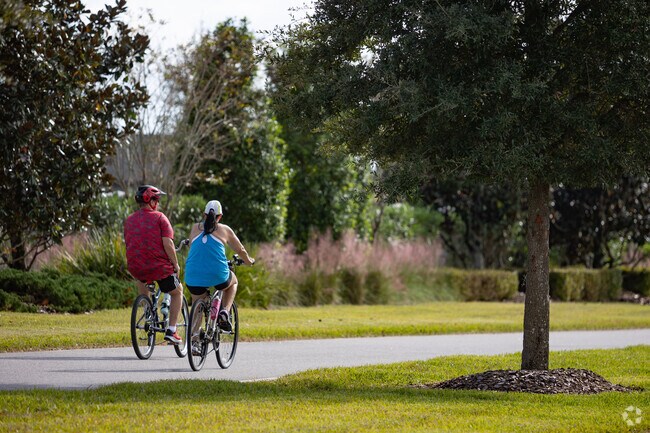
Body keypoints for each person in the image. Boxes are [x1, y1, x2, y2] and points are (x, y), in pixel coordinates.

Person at [184, 200, 254, 345]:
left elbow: (194, 247)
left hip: (192, 275)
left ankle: (195, 340)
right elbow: (240, 250)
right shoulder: (225, 229)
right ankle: (225, 312)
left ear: (204, 215)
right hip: (218, 274)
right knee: (233, 281)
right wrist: (248, 261)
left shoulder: (194, 228)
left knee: (198, 302)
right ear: (220, 216)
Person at [124, 185, 184, 345]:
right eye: (156, 199)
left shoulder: (129, 220)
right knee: (177, 292)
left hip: (136, 267)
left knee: (144, 286)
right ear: (149, 201)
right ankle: (171, 330)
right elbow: (168, 244)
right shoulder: (160, 218)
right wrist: (176, 264)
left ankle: (147, 312)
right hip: (159, 268)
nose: (157, 203)